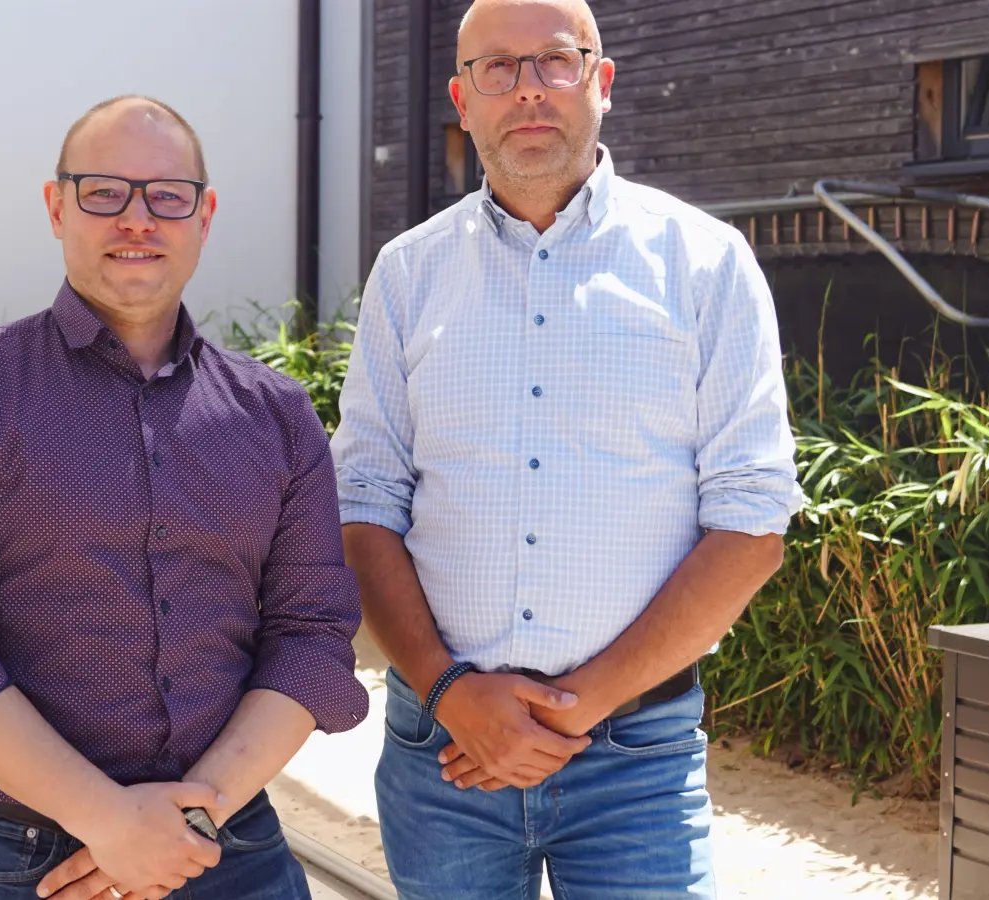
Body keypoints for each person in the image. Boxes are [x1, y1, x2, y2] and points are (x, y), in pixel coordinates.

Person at [330, 0, 804, 896]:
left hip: (635, 754)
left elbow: (752, 520)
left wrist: (573, 709)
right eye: (497, 70)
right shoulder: (407, 273)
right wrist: (451, 694)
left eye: (554, 60)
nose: (529, 91)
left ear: (602, 80)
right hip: (442, 749)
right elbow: (364, 507)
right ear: (461, 100)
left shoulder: (706, 264)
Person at [0, 94, 367, 900]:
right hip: (24, 862)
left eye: (166, 195)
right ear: (55, 205)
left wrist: (177, 830)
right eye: (104, 191)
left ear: (203, 217)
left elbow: (312, 637)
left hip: (229, 846)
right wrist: (108, 821)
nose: (137, 218)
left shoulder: (279, 416)